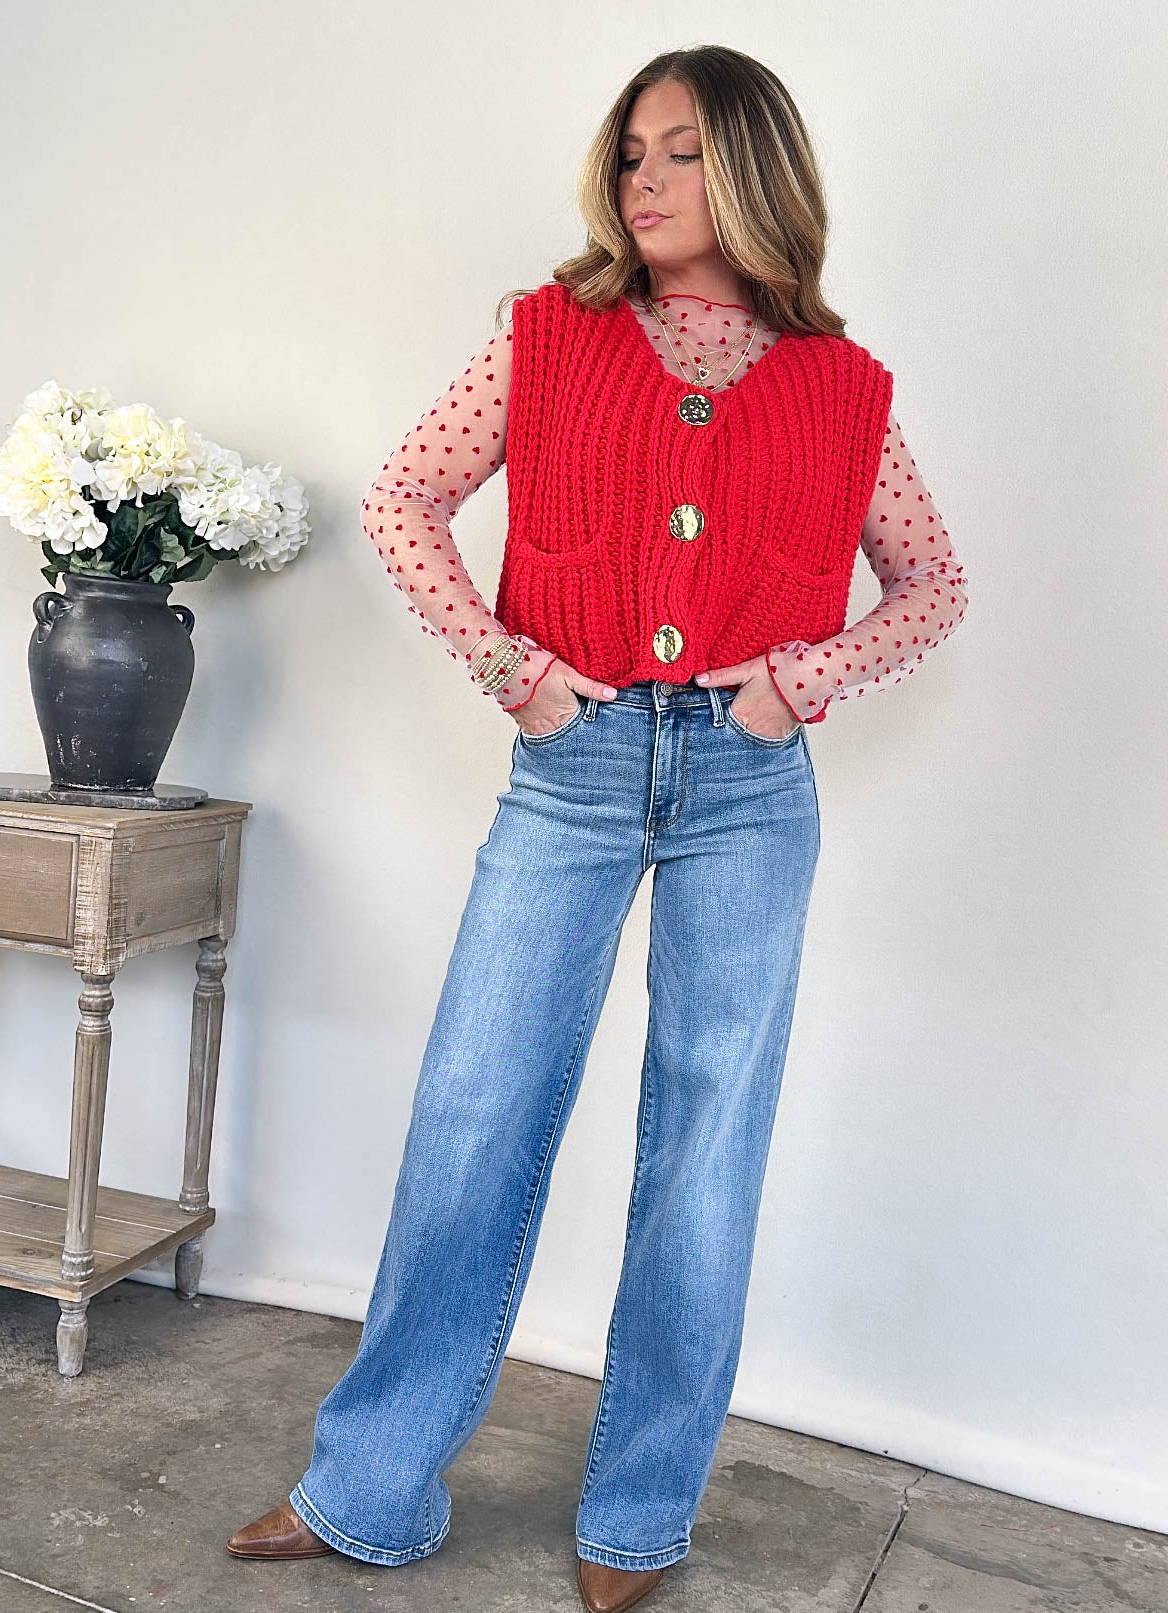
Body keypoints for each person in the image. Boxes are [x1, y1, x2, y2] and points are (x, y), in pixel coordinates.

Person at [226, 43, 967, 1613]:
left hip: (749, 791)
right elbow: (402, 499)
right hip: (571, 770)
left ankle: (636, 1515)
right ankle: (369, 1483)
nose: (643, 178)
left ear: (753, 168)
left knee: (705, 1146)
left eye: (680, 150)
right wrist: (511, 670)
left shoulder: (845, 389)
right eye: (630, 151)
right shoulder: (544, 337)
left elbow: (934, 582)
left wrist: (799, 682)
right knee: (475, 1106)